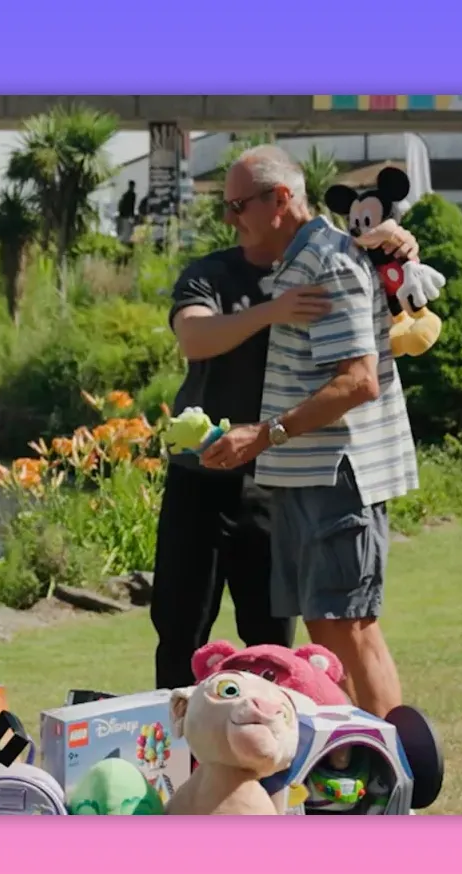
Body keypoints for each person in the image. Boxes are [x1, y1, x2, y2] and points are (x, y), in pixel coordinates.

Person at [150, 150, 418, 692]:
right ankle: (190, 762)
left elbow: (360, 376)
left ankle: (380, 769)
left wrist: (401, 250)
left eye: (237, 205)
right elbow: (194, 338)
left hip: (296, 475)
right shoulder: (223, 271)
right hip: (221, 478)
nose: (229, 218)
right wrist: (272, 310)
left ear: (279, 200)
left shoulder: (327, 263)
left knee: (311, 638)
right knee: (194, 632)